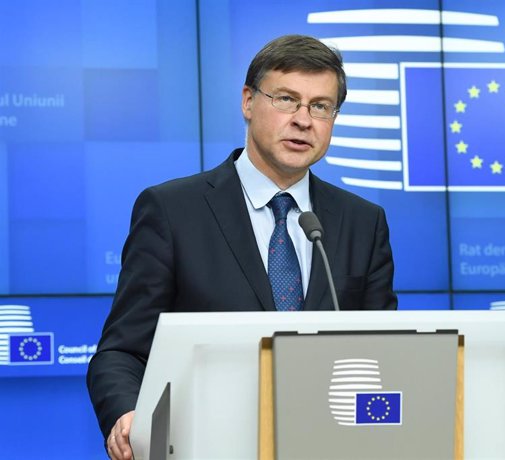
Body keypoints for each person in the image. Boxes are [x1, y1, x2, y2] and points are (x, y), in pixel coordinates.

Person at [86, 34, 397, 460]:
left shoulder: (363, 221)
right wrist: (127, 413)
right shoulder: (173, 210)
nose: (304, 120)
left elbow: (382, 354)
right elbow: (122, 350)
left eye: (321, 106)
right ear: (248, 102)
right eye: (286, 99)